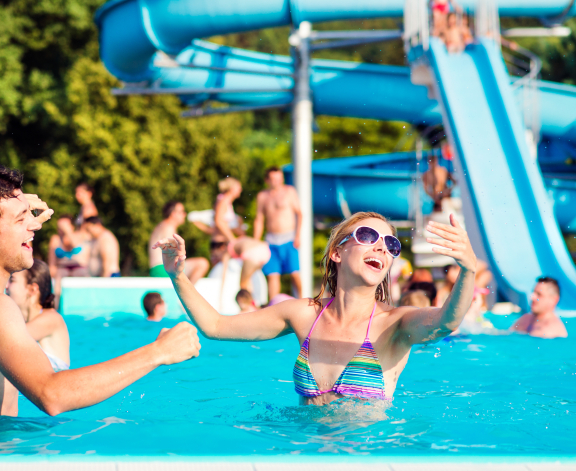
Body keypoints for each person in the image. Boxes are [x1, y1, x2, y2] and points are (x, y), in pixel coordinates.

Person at [0, 163, 200, 421]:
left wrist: (10, 219)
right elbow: (52, 395)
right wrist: (158, 352)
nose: (35, 225)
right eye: (22, 219)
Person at [155, 211, 481, 405]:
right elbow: (215, 327)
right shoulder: (303, 314)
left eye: (390, 244)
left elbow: (445, 323)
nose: (381, 246)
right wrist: (177, 275)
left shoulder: (395, 324)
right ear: (337, 253)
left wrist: (467, 270)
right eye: (368, 235)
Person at [7, 260, 70, 371]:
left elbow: (7, 341)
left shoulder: (52, 319)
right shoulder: (21, 323)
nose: (6, 286)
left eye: (12, 280)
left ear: (32, 289)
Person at [254, 166, 303, 301]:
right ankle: (273, 304)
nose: (276, 182)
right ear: (267, 180)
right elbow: (259, 219)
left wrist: (298, 235)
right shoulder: (262, 196)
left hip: (289, 238)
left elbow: (299, 214)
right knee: (272, 275)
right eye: (273, 179)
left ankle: (301, 299)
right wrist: (256, 242)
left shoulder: (289, 191)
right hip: (271, 241)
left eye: (278, 178)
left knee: (294, 274)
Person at [149, 201, 210, 281]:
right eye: (182, 212)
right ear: (173, 214)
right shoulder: (168, 227)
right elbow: (173, 254)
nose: (184, 214)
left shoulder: (163, 225)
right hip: (162, 269)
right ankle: (186, 292)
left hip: (157, 269)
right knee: (202, 263)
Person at [211, 177, 243, 265]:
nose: (240, 189)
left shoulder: (225, 201)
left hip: (222, 243)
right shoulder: (223, 201)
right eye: (238, 187)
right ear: (232, 189)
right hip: (220, 244)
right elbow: (218, 221)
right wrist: (232, 239)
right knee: (221, 272)